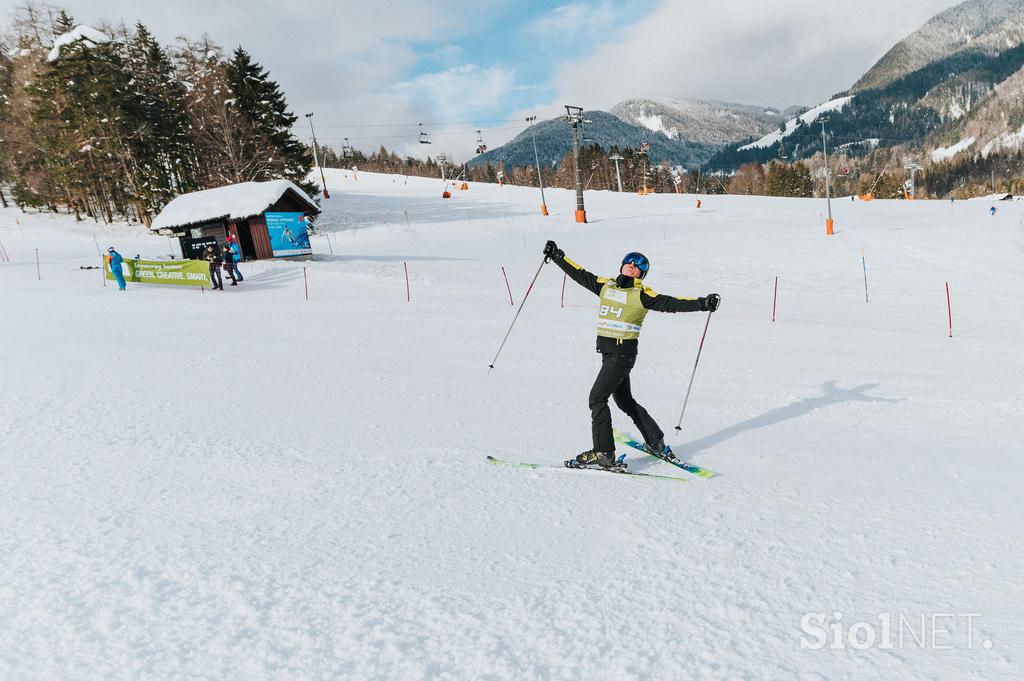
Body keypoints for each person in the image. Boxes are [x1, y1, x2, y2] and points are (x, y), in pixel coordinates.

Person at [543, 241, 720, 468]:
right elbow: (580, 274)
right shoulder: (606, 286)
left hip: (621, 356)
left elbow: (671, 303)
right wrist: (558, 256)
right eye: (629, 261)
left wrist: (702, 303)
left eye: (638, 265)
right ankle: (655, 441)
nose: (632, 265)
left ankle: (603, 452)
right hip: (611, 355)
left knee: (597, 399)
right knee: (625, 401)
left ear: (642, 274)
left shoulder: (641, 294)